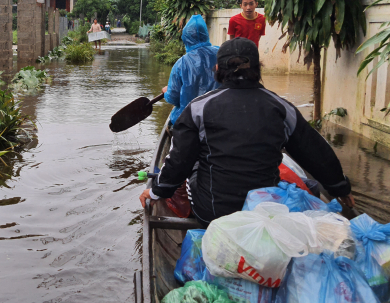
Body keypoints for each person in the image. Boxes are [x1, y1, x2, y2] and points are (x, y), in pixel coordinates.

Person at [139, 37, 354, 226]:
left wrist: (157, 191)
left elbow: (179, 160)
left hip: (213, 214)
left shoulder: (197, 108)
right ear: (258, 69)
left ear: (217, 71)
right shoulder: (281, 107)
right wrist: (340, 188)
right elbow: (315, 151)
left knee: (193, 163)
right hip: (264, 211)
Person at [162, 15, 220, 128]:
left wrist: (166, 92)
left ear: (186, 38)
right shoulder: (222, 53)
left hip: (189, 121)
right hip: (218, 116)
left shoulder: (181, 63)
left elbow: (173, 97)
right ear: (206, 34)